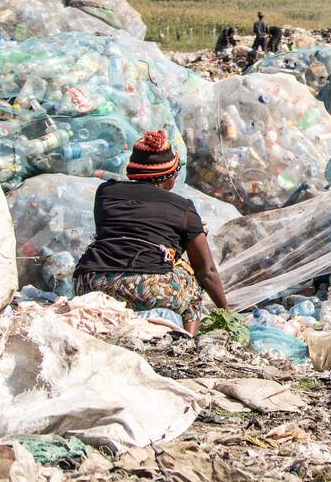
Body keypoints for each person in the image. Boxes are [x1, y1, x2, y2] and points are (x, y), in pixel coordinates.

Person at [73, 130, 229, 336]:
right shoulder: (183, 208)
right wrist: (226, 312)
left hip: (92, 282)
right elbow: (206, 271)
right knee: (193, 277)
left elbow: (130, 230)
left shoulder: (105, 193)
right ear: (170, 176)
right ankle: (187, 340)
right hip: (147, 288)